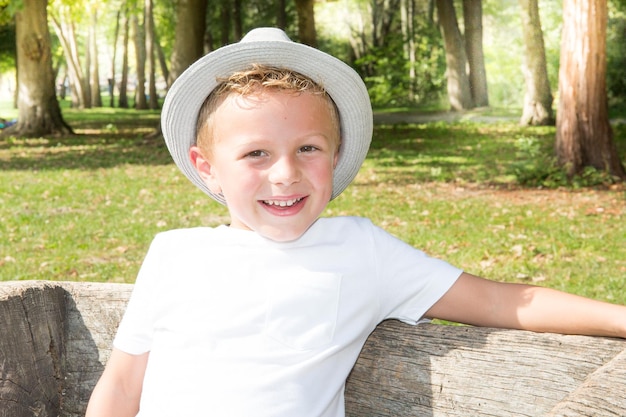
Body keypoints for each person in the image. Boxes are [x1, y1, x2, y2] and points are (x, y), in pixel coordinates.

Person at [86, 28, 626, 417]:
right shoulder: (175, 254)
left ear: (336, 154)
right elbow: (123, 384)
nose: (285, 174)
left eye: (307, 148)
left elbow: (498, 301)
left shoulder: (361, 251)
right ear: (208, 168)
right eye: (255, 154)